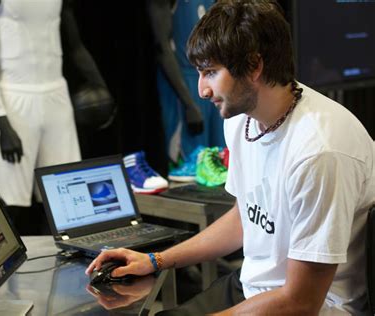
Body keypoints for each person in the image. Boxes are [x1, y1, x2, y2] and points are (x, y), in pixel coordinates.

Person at [86, 1, 375, 314]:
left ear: (254, 66)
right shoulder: (240, 119)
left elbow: (301, 302)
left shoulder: (319, 152)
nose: (202, 90)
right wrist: (155, 260)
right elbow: (244, 219)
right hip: (254, 287)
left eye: (210, 73)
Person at [0, 0, 112, 233]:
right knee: (6, 204)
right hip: (14, 100)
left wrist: (101, 89)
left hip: (57, 98)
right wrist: (1, 121)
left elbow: (75, 47)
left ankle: (65, 264)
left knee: (65, 201)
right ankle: (6, 268)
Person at [147, 0, 225, 165]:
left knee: (220, 163)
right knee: (191, 166)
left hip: (216, 79)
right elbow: (162, 47)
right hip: (184, 83)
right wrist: (189, 104)